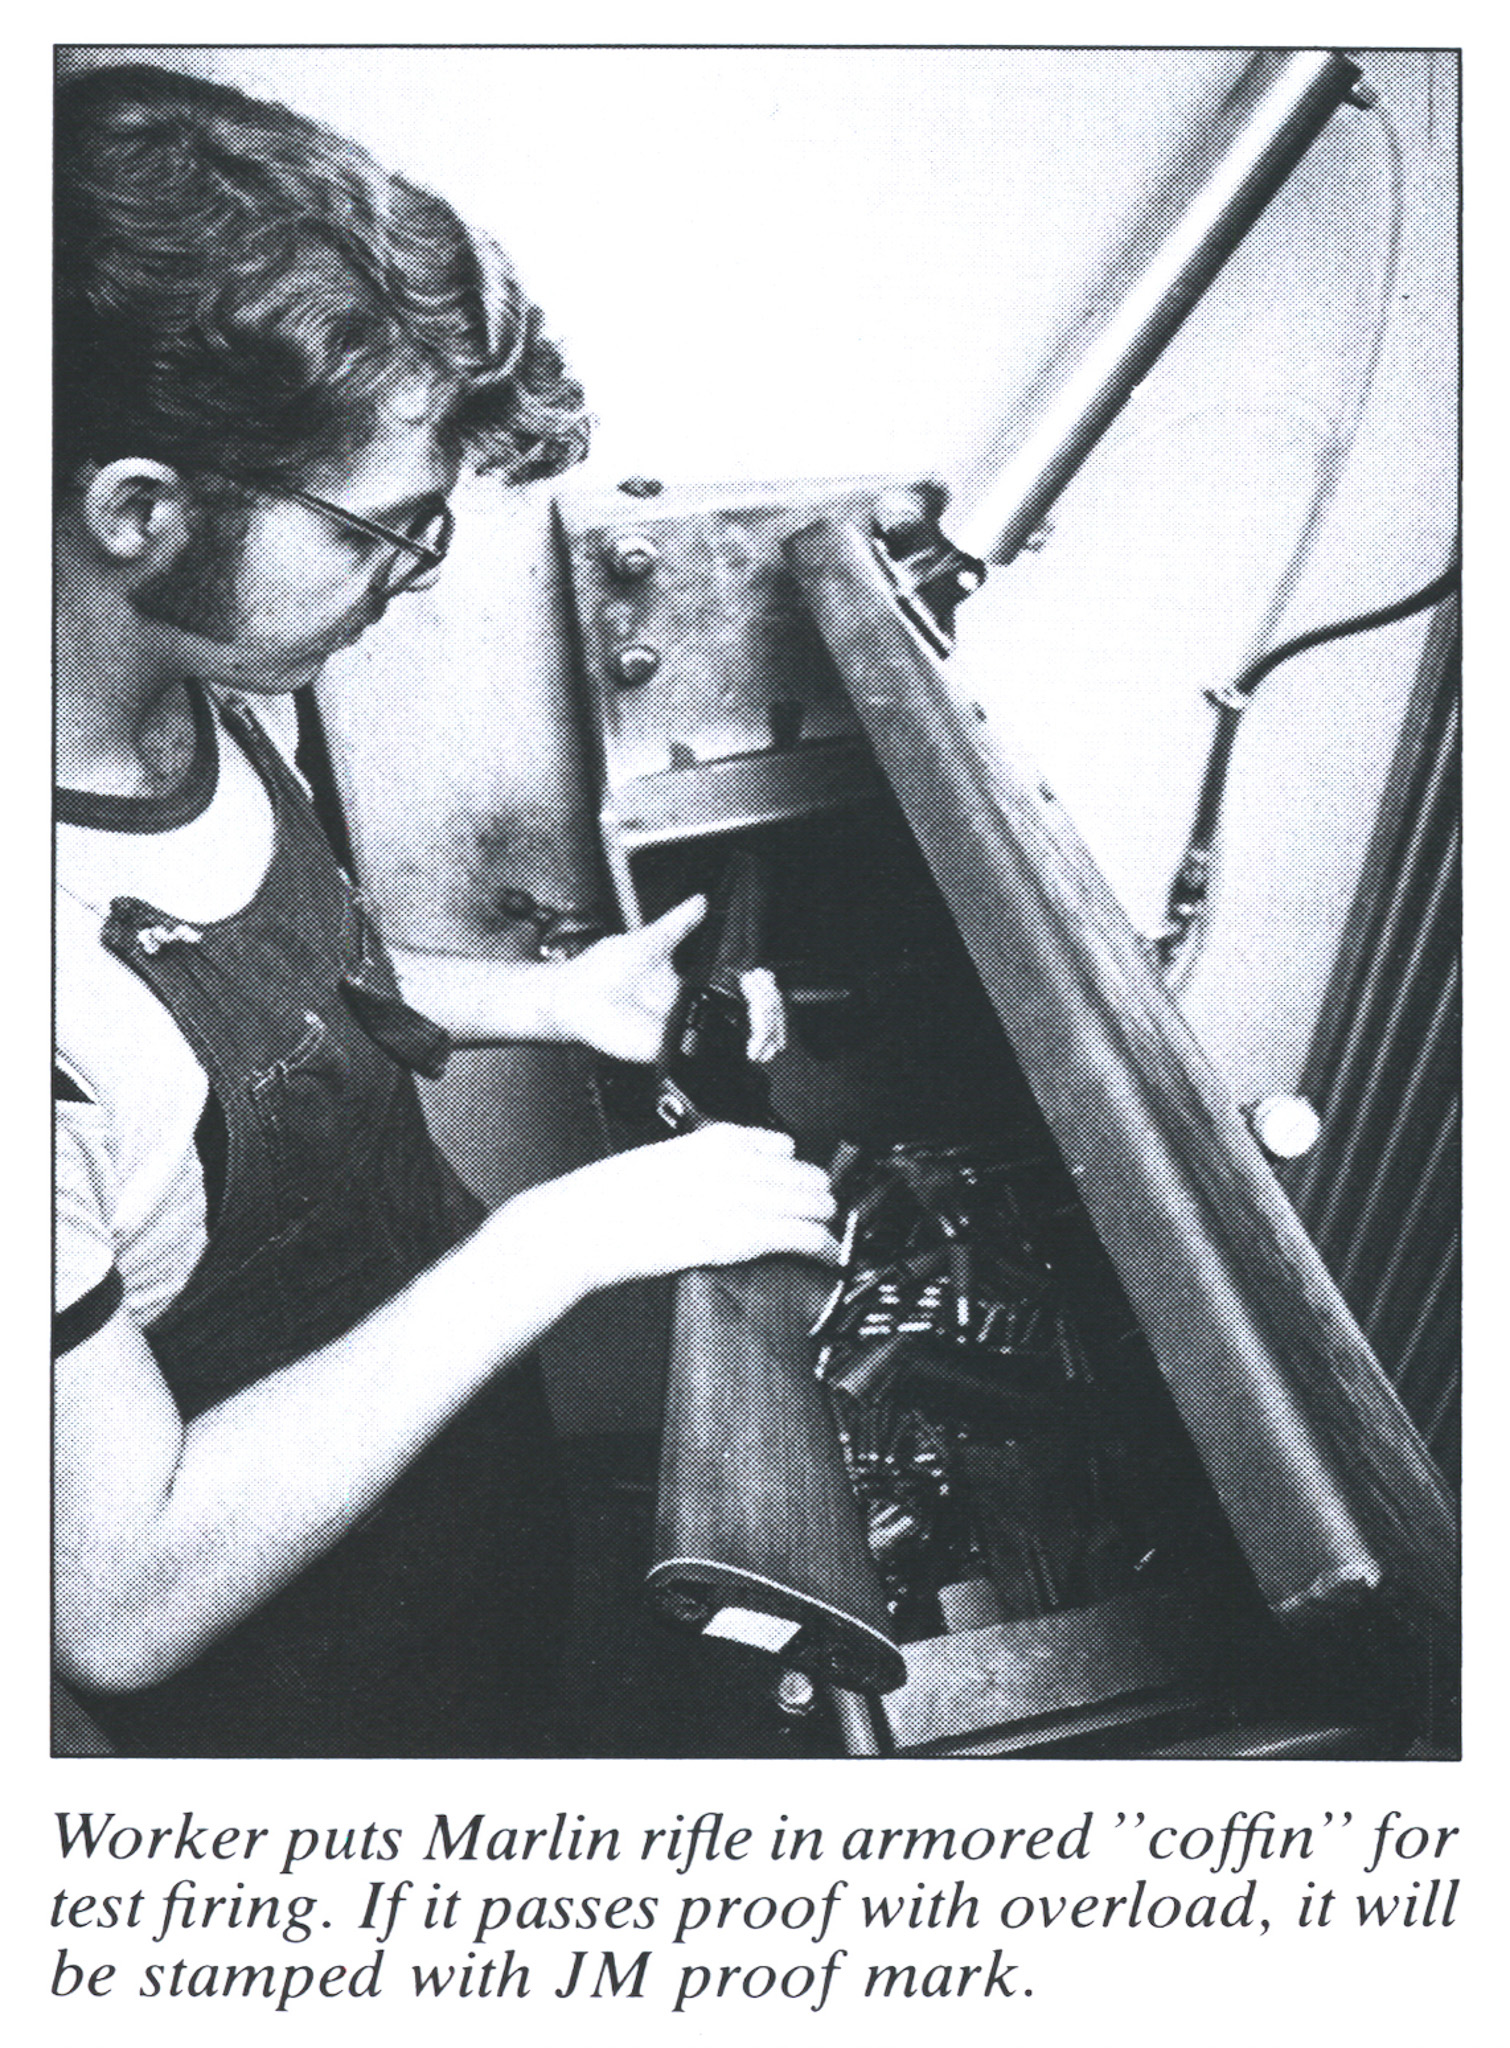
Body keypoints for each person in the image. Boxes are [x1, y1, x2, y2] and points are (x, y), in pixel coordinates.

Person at [53, 62, 837, 1757]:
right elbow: (110, 1602)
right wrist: (564, 1239)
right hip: (304, 1672)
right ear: (140, 513)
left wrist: (552, 1004)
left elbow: (258, 998)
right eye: (382, 536)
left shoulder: (180, 681)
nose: (409, 591)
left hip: (457, 1488)